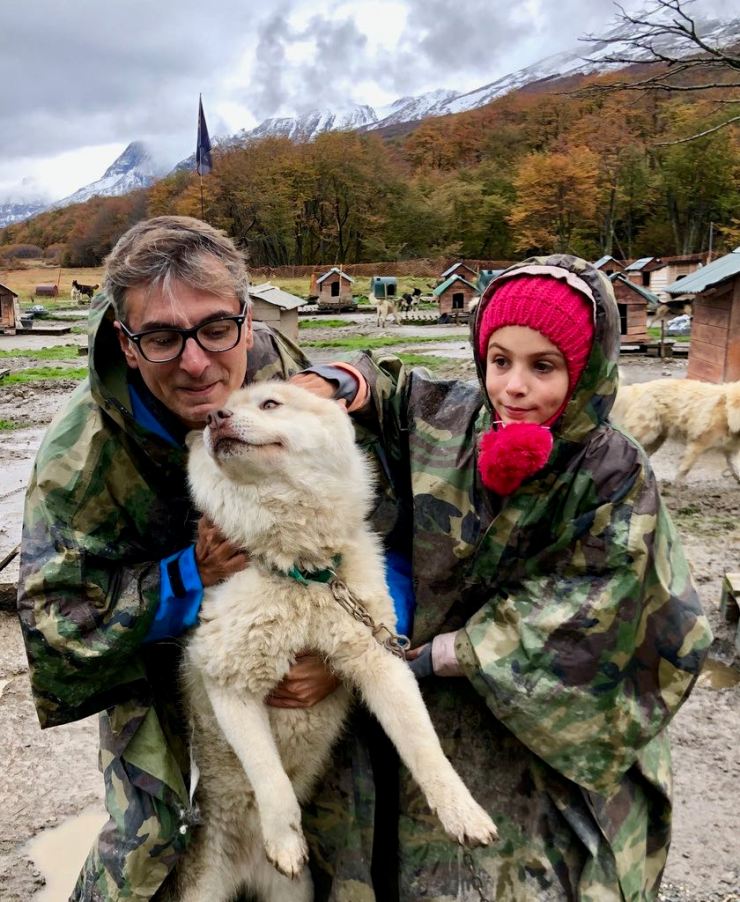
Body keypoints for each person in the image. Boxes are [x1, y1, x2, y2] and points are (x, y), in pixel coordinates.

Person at [301, 255, 713, 901]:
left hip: (544, 723)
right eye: (500, 360)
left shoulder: (610, 470)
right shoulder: (453, 419)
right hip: (436, 706)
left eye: (542, 366)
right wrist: (334, 381)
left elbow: (595, 606)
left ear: (584, 370)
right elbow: (388, 386)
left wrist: (437, 655)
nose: (514, 387)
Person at [16, 215, 361, 901]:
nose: (197, 362)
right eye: (163, 337)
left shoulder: (276, 368)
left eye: (214, 329)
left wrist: (352, 378)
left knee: (342, 817)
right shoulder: (75, 460)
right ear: (127, 342)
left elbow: (369, 494)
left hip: (287, 622)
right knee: (151, 843)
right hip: (155, 650)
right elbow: (56, 625)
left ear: (246, 317)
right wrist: (189, 578)